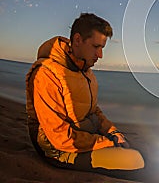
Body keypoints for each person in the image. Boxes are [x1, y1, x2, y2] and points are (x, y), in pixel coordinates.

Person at [25, 13, 145, 173]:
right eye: (96, 47)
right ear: (77, 40)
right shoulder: (46, 74)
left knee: (141, 149)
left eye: (102, 48)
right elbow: (59, 137)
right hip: (56, 148)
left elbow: (94, 111)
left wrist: (113, 132)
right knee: (135, 161)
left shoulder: (86, 71)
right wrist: (107, 142)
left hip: (84, 134)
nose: (100, 55)